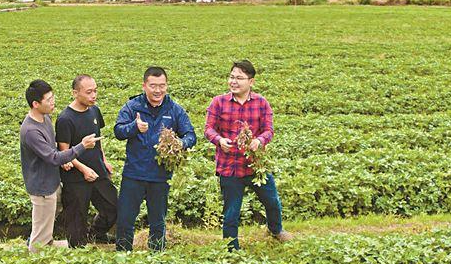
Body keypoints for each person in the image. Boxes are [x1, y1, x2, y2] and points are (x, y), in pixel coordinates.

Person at [204, 60, 293, 250]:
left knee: (272, 201)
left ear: (251, 82)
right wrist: (219, 140)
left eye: (239, 78)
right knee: (231, 212)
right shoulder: (218, 102)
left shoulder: (261, 103)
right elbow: (208, 129)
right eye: (232, 77)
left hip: (256, 166)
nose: (233, 81)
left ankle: (275, 230)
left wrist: (259, 141)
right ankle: (231, 247)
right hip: (230, 167)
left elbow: (269, 130)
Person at [114, 66, 196, 251]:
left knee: (158, 221)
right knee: (126, 219)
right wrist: (134, 127)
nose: (158, 90)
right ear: (144, 86)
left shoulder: (174, 109)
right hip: (134, 173)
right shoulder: (132, 106)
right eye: (153, 85)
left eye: (162, 85)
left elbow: (191, 135)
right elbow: (118, 130)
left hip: (160, 175)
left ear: (166, 85)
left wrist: (179, 143)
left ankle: (156, 256)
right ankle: (122, 256)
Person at [19, 79, 101, 252]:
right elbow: (53, 157)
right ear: (35, 104)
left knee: (45, 223)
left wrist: (64, 160)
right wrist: (81, 147)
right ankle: (36, 261)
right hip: (42, 187)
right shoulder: (31, 130)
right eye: (48, 100)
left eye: (52, 97)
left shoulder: (45, 118)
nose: (53, 102)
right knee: (41, 233)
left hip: (52, 182)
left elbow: (51, 150)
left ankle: (43, 247)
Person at [55, 74, 118, 248]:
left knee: (113, 206)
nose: (93, 95)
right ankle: (78, 252)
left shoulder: (94, 111)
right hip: (75, 177)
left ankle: (97, 233)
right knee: (76, 219)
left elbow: (98, 139)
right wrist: (83, 169)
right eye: (89, 92)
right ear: (75, 93)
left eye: (95, 91)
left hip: (97, 170)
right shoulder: (65, 119)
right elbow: (64, 151)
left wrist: (104, 160)